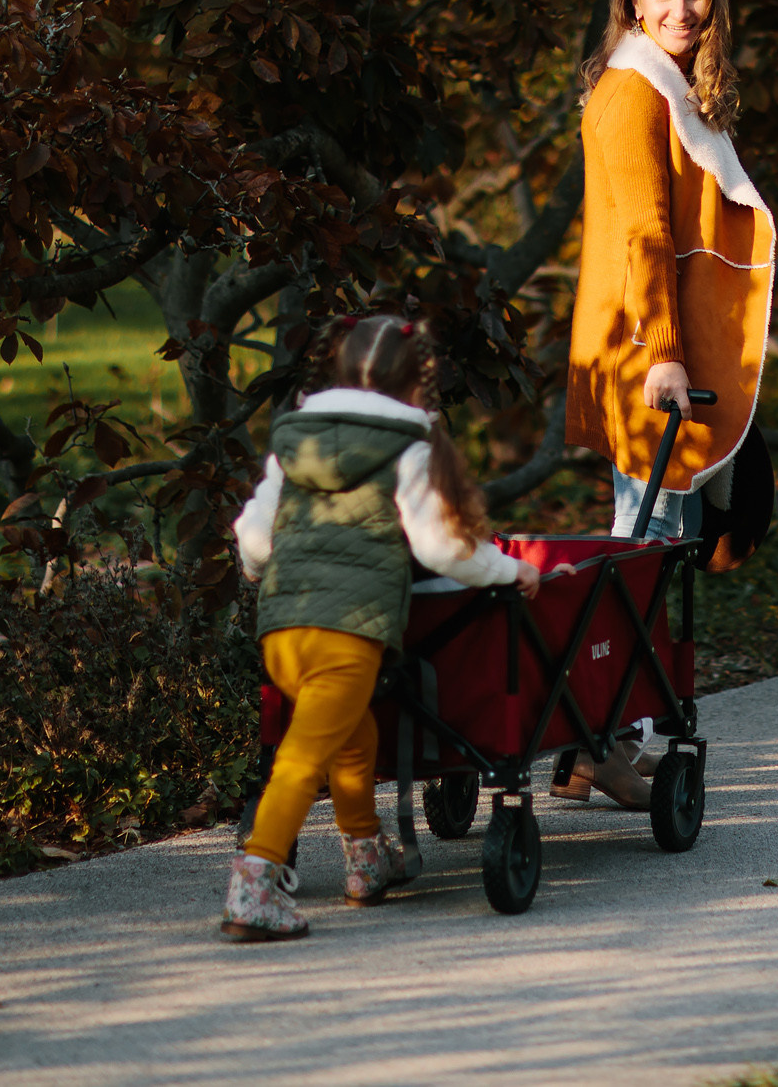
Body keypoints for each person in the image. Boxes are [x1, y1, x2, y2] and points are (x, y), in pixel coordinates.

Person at [220, 314, 541, 943]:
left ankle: (368, 857)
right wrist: (509, 570)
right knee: (302, 758)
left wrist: (260, 571)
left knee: (352, 737)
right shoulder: (407, 447)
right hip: (349, 632)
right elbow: (442, 547)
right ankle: (254, 887)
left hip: (283, 628)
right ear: (415, 383)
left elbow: (254, 535)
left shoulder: (296, 440)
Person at [562, 0, 778, 804]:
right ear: (630, 0)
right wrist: (662, 357)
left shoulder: (674, 89)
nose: (679, 10)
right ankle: (601, 740)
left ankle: (608, 737)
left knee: (656, 543)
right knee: (643, 546)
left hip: (666, 351)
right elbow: (642, 235)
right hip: (645, 355)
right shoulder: (631, 93)